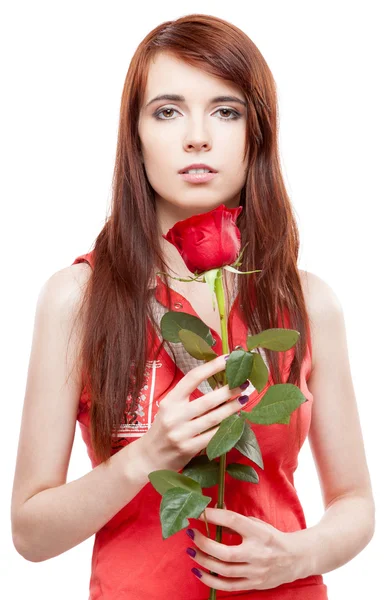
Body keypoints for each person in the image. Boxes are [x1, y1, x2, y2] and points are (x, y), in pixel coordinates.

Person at [11, 13, 375, 600]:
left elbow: (356, 501)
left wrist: (297, 555)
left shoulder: (306, 302)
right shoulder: (77, 299)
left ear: (257, 133)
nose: (198, 136)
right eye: (168, 110)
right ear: (136, 135)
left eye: (226, 111)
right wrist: (149, 453)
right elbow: (30, 533)